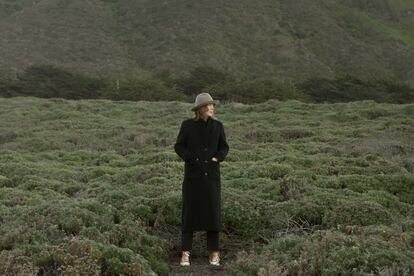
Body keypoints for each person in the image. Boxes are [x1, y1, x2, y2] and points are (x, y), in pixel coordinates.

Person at [174, 92, 230, 266]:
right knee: (189, 214)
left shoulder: (218, 126)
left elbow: (224, 147)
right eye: (208, 105)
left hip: (212, 177)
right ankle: (185, 253)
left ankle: (214, 253)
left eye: (212, 105)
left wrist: (216, 158)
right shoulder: (187, 126)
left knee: (213, 214)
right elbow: (179, 146)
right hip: (193, 177)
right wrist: (191, 159)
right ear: (200, 109)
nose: (211, 108)